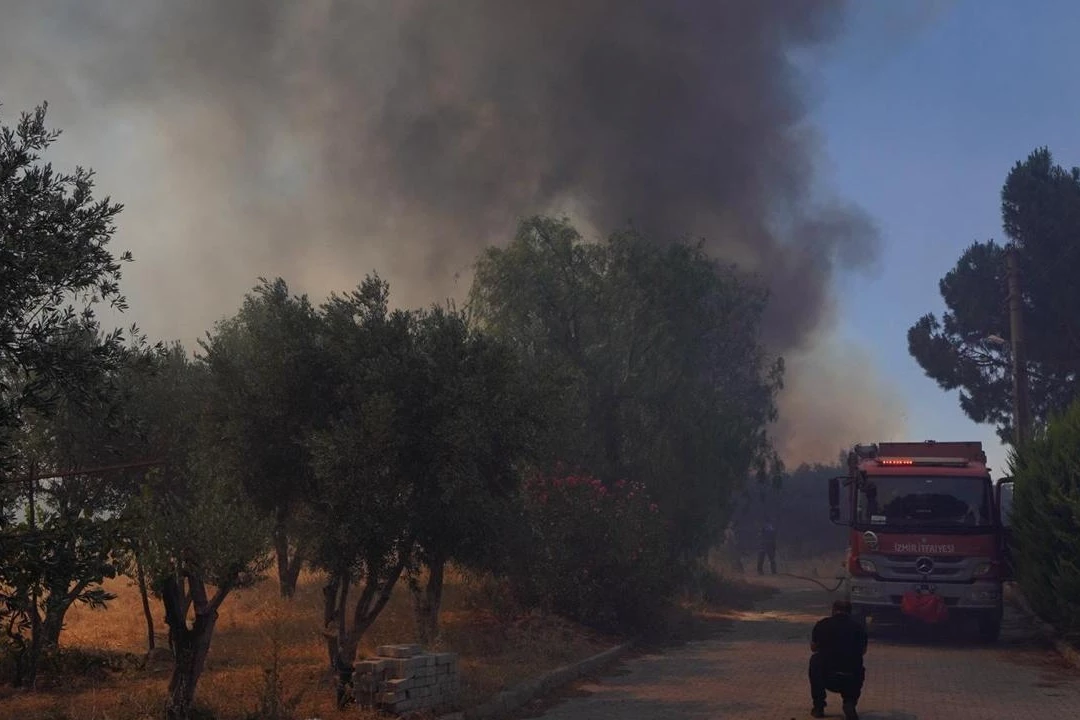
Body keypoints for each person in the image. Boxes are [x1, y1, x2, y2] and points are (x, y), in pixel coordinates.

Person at [808, 599, 868, 720]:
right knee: (858, 664)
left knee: (815, 661)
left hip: (826, 676)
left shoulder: (822, 624)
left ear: (833, 610)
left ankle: (819, 706)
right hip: (850, 677)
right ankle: (849, 702)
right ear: (850, 612)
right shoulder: (858, 628)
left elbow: (813, 648)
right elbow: (863, 651)